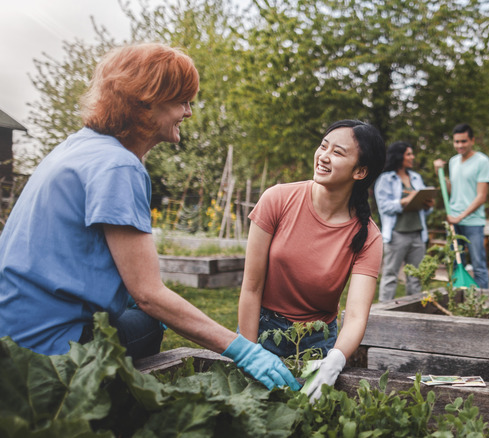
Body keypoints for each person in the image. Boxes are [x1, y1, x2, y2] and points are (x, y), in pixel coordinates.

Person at [0, 43, 299, 391]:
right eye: (182, 101)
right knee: (148, 321)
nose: (188, 112)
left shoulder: (76, 147)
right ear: (146, 100)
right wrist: (244, 350)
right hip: (49, 350)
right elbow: (149, 295)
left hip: (13, 332)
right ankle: (103, 407)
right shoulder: (117, 165)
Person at [237, 119, 385, 400]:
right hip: (261, 329)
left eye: (338, 153)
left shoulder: (368, 237)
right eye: (323, 146)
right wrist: (248, 350)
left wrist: (335, 360)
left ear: (360, 171)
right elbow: (251, 287)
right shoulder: (277, 199)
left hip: (317, 343)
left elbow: (355, 316)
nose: (324, 156)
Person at [433, 123, 489, 289]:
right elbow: (452, 190)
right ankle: (458, 298)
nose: (459, 145)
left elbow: (481, 196)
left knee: (478, 264)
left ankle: (482, 302)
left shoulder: (482, 161)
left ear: (472, 140)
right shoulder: (453, 161)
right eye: (456, 142)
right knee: (455, 263)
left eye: (463, 141)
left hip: (473, 222)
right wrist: (439, 174)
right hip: (454, 221)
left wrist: (461, 216)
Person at [374, 141, 434, 301]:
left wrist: (428, 204)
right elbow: (384, 207)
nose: (412, 157)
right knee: (390, 275)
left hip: (418, 235)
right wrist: (405, 201)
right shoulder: (385, 179)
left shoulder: (416, 177)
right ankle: (384, 312)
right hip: (396, 235)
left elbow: (424, 206)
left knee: (416, 277)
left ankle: (413, 313)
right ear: (399, 156)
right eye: (409, 154)